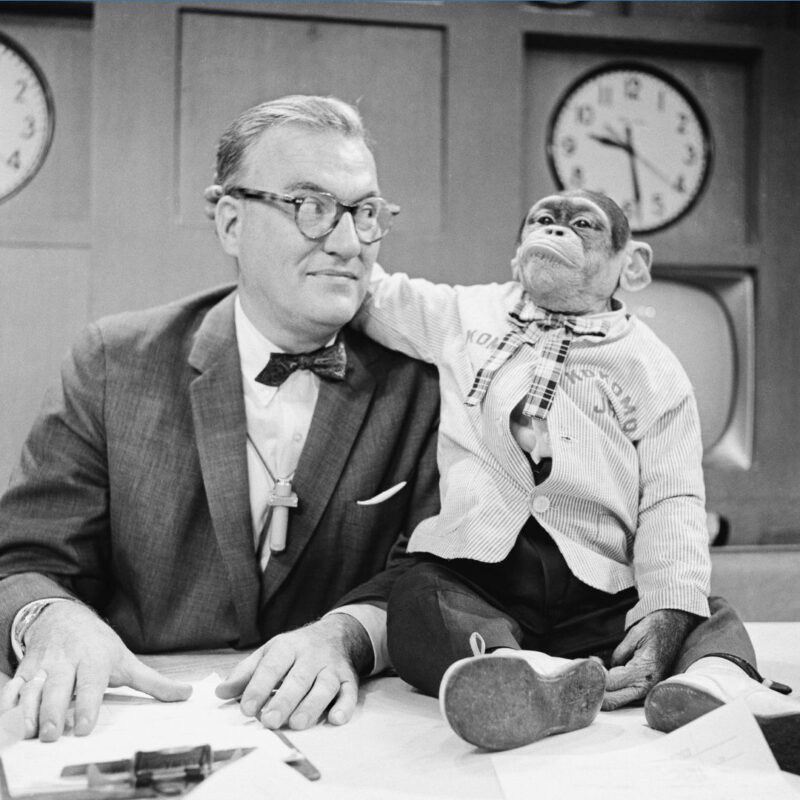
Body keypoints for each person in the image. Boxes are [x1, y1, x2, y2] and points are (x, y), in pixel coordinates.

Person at [0, 95, 440, 743]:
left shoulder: (424, 381)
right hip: (143, 718)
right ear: (232, 222)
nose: (350, 243)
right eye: (311, 208)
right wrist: (51, 618)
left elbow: (438, 570)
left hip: (347, 731)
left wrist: (349, 634)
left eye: (366, 212)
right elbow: (24, 558)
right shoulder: (112, 363)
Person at [354, 189, 800, 772]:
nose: (556, 230)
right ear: (518, 254)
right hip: (479, 568)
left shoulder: (652, 365)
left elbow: (673, 499)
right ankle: (527, 679)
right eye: (543, 220)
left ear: (630, 264)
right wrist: (354, 227)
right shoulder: (466, 313)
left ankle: (717, 684)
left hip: (599, 582)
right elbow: (376, 296)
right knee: (421, 601)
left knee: (698, 606)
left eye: (580, 224)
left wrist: (666, 611)